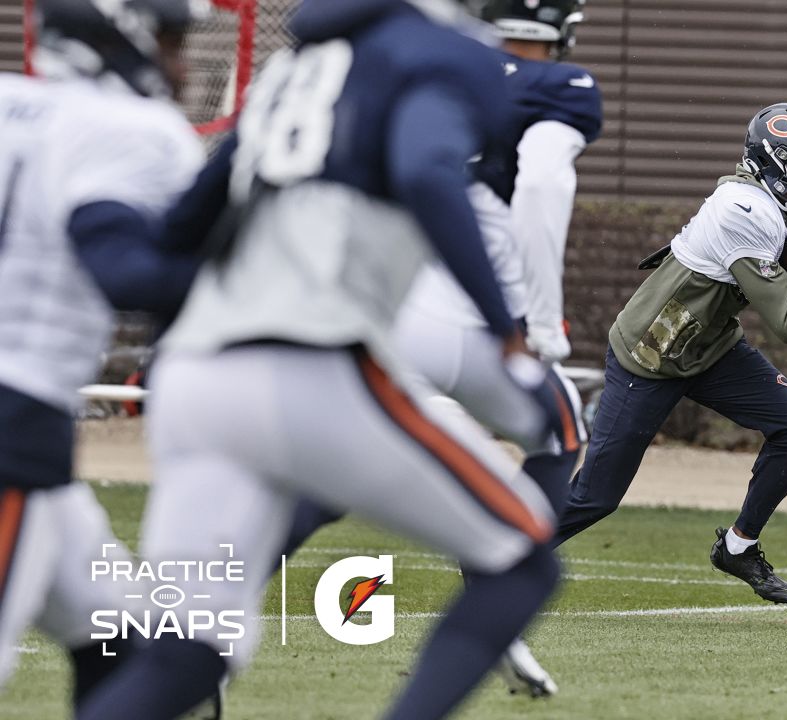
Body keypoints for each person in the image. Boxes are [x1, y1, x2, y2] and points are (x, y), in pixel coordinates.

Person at [77, 2, 568, 718]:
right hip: (311, 358)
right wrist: (504, 325)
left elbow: (195, 216)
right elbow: (430, 172)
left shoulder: (294, 65)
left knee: (183, 652)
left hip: (194, 378)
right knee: (522, 564)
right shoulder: (442, 53)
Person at [276, 0, 602, 698]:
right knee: (562, 429)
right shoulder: (555, 87)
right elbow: (544, 180)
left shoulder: (412, 58)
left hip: (385, 301)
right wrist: (540, 321)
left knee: (339, 467)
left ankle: (201, 619)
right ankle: (503, 588)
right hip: (471, 317)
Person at [550, 103, 787, 604]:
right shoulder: (744, 210)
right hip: (651, 353)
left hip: (709, 345)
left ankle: (739, 547)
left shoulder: (785, 207)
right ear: (773, 164)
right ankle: (500, 552)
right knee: (596, 496)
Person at [0, 0, 206, 705]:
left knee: (124, 640)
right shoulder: (134, 132)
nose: (184, 66)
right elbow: (125, 273)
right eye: (176, 41)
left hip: (36, 446)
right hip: (11, 422)